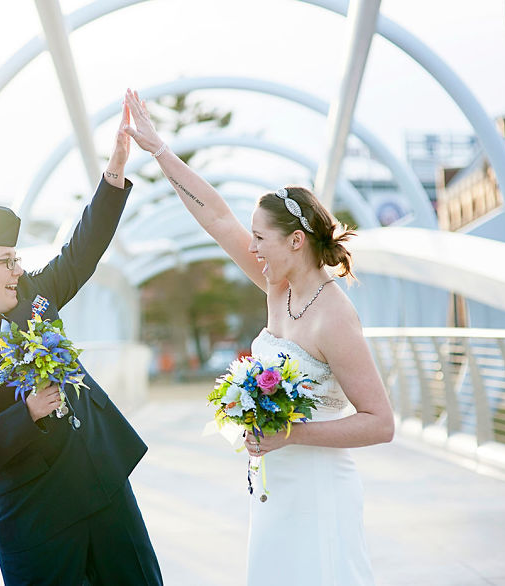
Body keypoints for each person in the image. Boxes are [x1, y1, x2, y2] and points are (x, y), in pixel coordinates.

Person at [122, 89, 394, 585]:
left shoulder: (335, 317)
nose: (250, 247)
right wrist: (160, 151)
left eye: (261, 239)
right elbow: (216, 217)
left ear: (295, 240)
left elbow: (381, 423)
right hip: (273, 486)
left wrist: (289, 434)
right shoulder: (278, 286)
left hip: (318, 490)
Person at [0, 96, 162, 586]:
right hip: (37, 516)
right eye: (6, 261)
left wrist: (113, 175)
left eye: (17, 258)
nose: (18, 270)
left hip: (102, 486)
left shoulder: (33, 296)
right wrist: (26, 412)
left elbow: (82, 251)